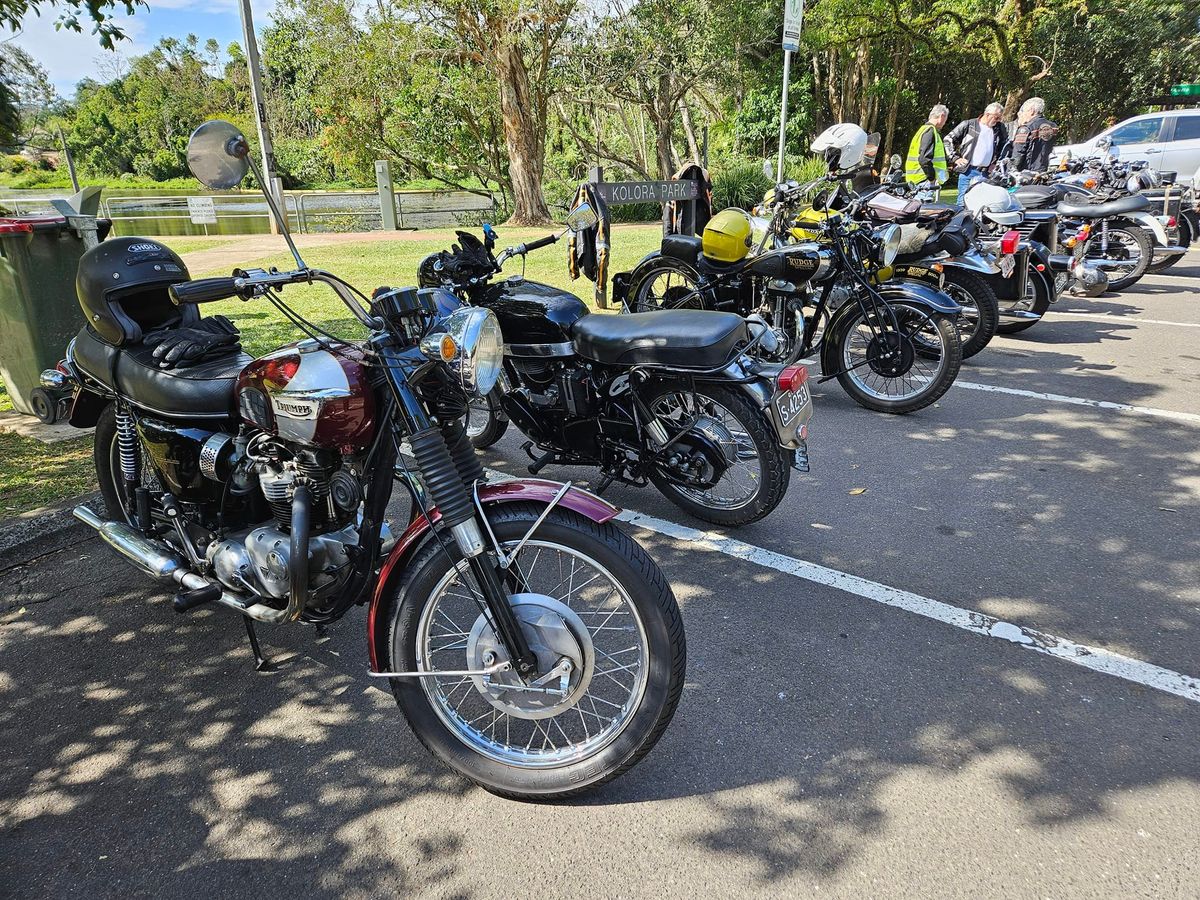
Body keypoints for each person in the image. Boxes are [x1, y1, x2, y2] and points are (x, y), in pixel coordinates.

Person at [945, 102, 1009, 206]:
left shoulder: (999, 129)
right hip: (968, 171)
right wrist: (955, 158)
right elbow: (948, 140)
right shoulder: (969, 125)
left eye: (999, 118)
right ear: (987, 114)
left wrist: (995, 162)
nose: (998, 121)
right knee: (963, 203)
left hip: (987, 173)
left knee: (985, 204)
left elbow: (1004, 146)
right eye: (996, 118)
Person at [905, 104, 950, 195]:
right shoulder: (930, 131)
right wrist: (931, 177)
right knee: (925, 207)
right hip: (924, 180)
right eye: (945, 120)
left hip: (916, 179)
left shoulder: (922, 130)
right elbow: (924, 159)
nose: (944, 123)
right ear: (941, 116)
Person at [1011, 97, 1060, 173]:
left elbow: (1018, 155)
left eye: (1024, 111)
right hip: (1044, 172)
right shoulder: (1053, 127)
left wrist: (1011, 171)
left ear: (1031, 111)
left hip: (1027, 173)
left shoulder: (1026, 128)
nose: (1023, 114)